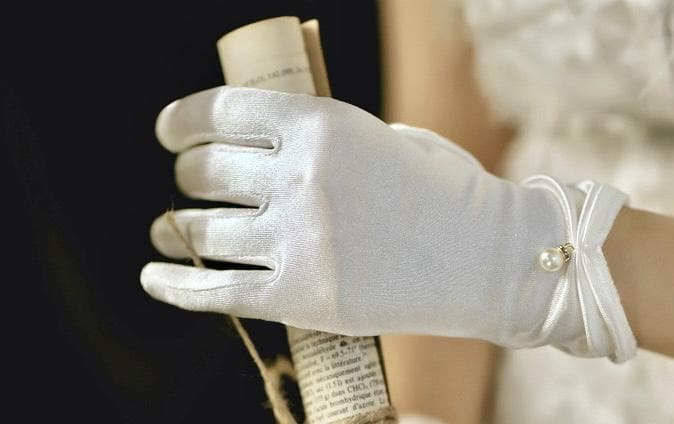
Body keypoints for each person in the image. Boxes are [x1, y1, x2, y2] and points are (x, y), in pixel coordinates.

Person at [139, 1, 673, 423]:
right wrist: (426, 413)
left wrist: (519, 253)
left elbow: (481, 241)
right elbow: (452, 137)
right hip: (522, 375)